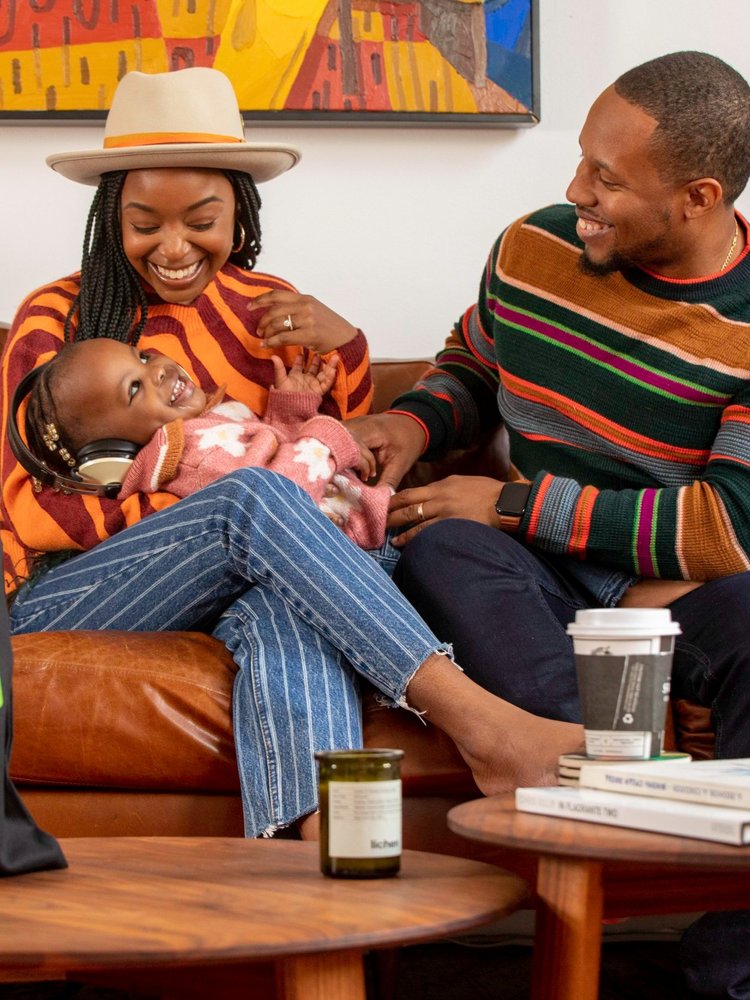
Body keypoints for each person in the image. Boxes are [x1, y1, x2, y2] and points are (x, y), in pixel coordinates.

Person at [0, 66, 584, 845]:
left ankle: (309, 855)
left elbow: (328, 469)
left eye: (200, 218)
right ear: (112, 219)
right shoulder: (57, 318)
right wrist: (207, 520)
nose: (172, 246)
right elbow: (31, 507)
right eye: (144, 222)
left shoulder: (272, 308)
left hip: (240, 579)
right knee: (257, 506)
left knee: (289, 598)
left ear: (239, 207)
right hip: (80, 590)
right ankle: (479, 722)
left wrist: (346, 344)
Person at [354, 50, 750, 998]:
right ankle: (584, 775)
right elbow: (472, 370)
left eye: (608, 179)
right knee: (441, 545)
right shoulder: (534, 248)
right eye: (581, 162)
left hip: (682, 603)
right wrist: (409, 424)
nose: (578, 191)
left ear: (697, 197)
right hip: (533, 579)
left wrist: (515, 504)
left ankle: (731, 972)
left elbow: (725, 531)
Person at [25, 338, 395, 560]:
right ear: (113, 451)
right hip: (359, 546)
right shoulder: (191, 457)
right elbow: (278, 500)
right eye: (134, 389)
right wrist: (327, 438)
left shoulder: (208, 426)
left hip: (366, 527)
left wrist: (291, 409)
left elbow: (274, 454)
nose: (157, 369)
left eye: (140, 357)